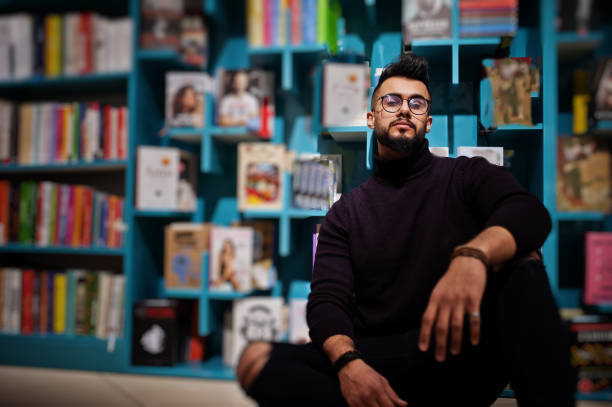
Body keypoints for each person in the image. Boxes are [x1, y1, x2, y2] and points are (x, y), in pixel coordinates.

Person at [236, 53, 574, 406]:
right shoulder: (344, 214)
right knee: (255, 360)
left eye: (417, 103)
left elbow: (529, 213)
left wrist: (473, 256)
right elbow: (327, 301)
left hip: (459, 350)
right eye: (391, 100)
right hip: (379, 358)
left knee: (524, 260)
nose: (403, 110)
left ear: (428, 122)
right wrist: (350, 365)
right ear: (371, 118)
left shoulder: (466, 176)